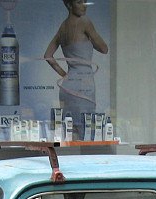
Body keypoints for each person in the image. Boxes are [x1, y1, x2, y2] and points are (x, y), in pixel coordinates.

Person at [44, 0, 108, 140]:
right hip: (84, 82)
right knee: (86, 132)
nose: (84, 5)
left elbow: (48, 56)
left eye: (85, 1)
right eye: (79, 2)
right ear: (69, 5)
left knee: (69, 132)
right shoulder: (85, 22)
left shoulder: (62, 27)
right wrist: (90, 37)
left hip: (68, 85)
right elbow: (104, 48)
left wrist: (65, 75)